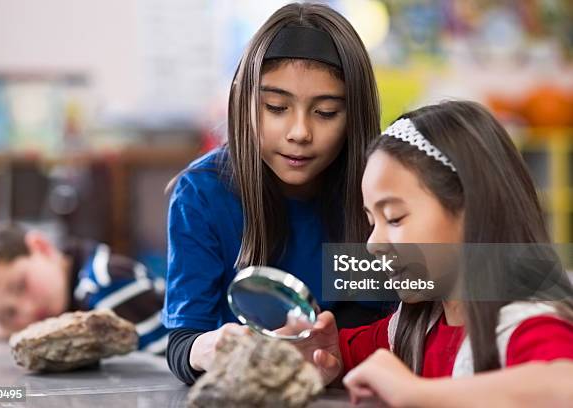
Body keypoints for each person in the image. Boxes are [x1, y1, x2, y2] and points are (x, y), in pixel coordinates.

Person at [163, 2, 389, 385]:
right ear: (243, 101)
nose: (299, 132)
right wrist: (211, 348)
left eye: (326, 112)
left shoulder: (381, 192)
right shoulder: (203, 196)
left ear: (356, 116)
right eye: (276, 107)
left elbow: (426, 314)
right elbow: (184, 342)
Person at [295, 101, 573, 405]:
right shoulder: (412, 327)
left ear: (472, 209)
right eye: (372, 222)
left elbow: (563, 385)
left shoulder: (527, 324)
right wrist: (325, 355)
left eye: (395, 217)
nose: (373, 242)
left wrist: (417, 394)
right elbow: (340, 357)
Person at [0, 222, 169, 354]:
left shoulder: (104, 289)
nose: (26, 310)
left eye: (20, 286)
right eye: (9, 313)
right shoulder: (75, 267)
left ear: (40, 246)